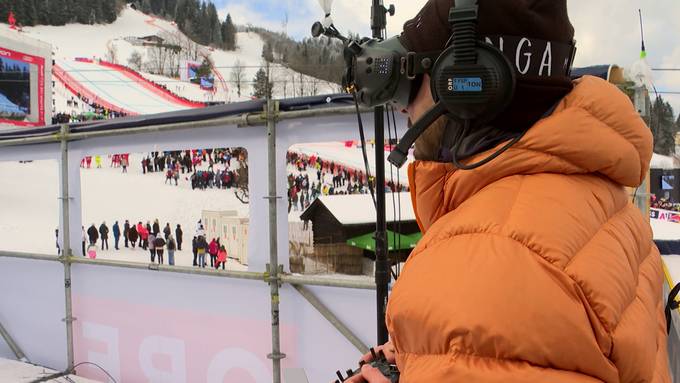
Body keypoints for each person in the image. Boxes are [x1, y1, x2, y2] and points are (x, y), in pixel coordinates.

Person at [348, 0, 671, 382]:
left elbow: (494, 310)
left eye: (411, 86)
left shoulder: (478, 273)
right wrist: (428, 356)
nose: (403, 111)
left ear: (465, 86)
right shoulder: (604, 203)